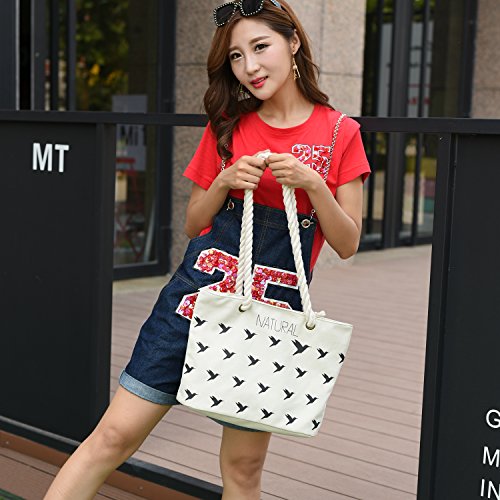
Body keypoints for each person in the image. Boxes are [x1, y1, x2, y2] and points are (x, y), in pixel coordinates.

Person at [44, 1, 370, 498]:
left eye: (260, 47)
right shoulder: (227, 125)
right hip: (191, 303)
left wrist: (313, 185)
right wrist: (224, 180)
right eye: (237, 56)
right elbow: (195, 223)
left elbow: (347, 243)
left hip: (269, 322)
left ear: (293, 43)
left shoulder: (340, 133)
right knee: (111, 437)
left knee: (242, 469)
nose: (250, 66)